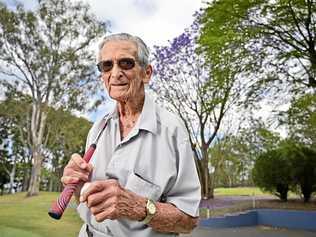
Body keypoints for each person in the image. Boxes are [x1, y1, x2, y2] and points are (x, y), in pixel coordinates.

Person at [61, 33, 201, 237]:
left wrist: (139, 208)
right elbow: (87, 204)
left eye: (126, 63)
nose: (115, 73)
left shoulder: (173, 130)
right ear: (102, 75)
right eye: (106, 66)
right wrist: (77, 187)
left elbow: (188, 221)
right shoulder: (97, 129)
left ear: (147, 73)